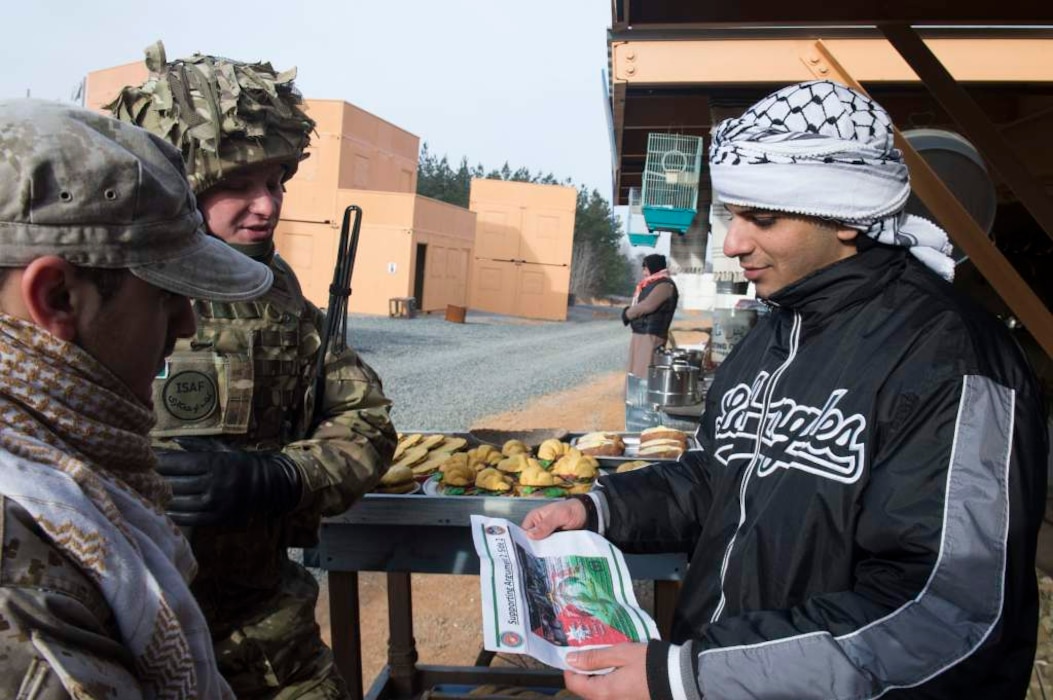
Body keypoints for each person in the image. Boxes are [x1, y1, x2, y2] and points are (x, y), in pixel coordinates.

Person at [523, 80, 1048, 699]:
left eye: (762, 218)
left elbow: (942, 613)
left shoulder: (951, 356)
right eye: (733, 215)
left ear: (848, 218)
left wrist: (691, 676)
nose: (733, 243)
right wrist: (597, 509)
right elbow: (711, 480)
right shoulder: (771, 337)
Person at [108, 42, 397, 699]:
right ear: (176, 183)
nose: (266, 206)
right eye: (238, 184)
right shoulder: (99, 291)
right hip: (120, 636)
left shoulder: (273, 290)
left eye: (275, 183)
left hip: (265, 642)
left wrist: (279, 476)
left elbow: (365, 423)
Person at [0, 99, 274, 698]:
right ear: (58, 299)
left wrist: (279, 475)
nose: (185, 323)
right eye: (163, 296)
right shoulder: (21, 574)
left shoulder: (55, 457)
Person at [622, 253, 679, 377]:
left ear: (654, 267)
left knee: (643, 372)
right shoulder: (653, 283)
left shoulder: (664, 285)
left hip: (651, 335)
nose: (644, 273)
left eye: (645, 269)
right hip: (642, 332)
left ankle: (640, 396)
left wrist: (628, 313)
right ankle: (632, 396)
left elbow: (647, 305)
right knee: (634, 370)